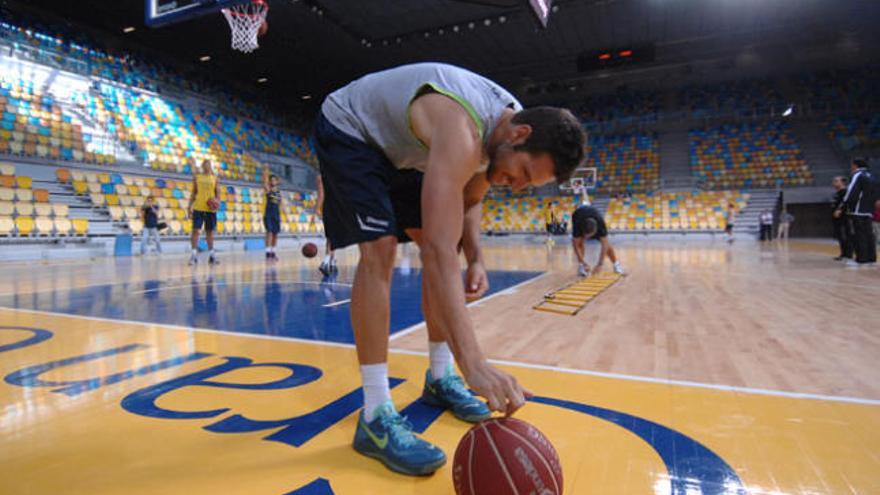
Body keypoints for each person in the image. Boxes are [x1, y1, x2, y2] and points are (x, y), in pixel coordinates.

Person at [314, 62, 585, 476]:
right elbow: (439, 253)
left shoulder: (504, 134)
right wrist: (474, 362)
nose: (516, 187)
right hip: (352, 128)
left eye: (528, 185)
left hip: (401, 150)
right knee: (382, 249)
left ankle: (439, 378)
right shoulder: (463, 130)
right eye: (524, 174)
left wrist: (476, 256)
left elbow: (469, 200)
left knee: (433, 237)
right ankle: (374, 416)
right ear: (519, 134)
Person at [835, 159, 876, 265]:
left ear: (855, 165)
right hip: (868, 210)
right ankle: (871, 258)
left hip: (857, 210)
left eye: (851, 165)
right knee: (869, 234)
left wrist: (843, 206)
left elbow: (851, 191)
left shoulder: (857, 175)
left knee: (859, 234)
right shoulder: (871, 175)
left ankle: (861, 259)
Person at [570, 205, 624, 277]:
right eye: (586, 236)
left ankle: (616, 264)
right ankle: (581, 267)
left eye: (589, 236)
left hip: (593, 215)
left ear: (595, 231)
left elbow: (605, 245)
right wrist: (583, 263)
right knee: (579, 243)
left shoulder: (601, 224)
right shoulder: (577, 224)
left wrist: (600, 264)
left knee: (607, 246)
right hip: (578, 215)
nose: (588, 238)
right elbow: (576, 246)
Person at [187, 159, 220, 265]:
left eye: (209, 164)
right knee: (195, 231)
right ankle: (193, 255)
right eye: (205, 164)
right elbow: (193, 192)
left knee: (209, 233)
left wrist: (216, 203)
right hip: (198, 208)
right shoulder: (197, 177)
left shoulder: (215, 178)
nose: (207, 166)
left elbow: (218, 194)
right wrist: (189, 207)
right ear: (202, 166)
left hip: (210, 210)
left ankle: (212, 255)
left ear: (211, 166)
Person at [315, 174, 337, 275]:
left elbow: (321, 194)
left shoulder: (322, 176)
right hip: (336, 206)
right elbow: (322, 194)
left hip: (332, 207)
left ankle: (329, 261)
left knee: (332, 236)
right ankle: (329, 261)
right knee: (332, 236)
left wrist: (317, 207)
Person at [262, 165, 282, 261]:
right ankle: (267, 253)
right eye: (272, 180)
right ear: (270, 182)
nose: (273, 181)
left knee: (275, 234)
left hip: (276, 214)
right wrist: (265, 170)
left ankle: (273, 252)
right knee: (269, 232)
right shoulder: (268, 189)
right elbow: (264, 182)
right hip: (268, 214)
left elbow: (280, 203)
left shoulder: (278, 191)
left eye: (275, 180)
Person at [831, 176, 852, 260]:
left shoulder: (845, 192)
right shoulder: (837, 193)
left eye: (836, 181)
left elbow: (845, 203)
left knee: (845, 236)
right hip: (836, 219)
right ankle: (843, 254)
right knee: (840, 236)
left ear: (842, 182)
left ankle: (848, 255)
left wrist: (839, 210)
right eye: (833, 181)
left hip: (843, 218)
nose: (834, 183)